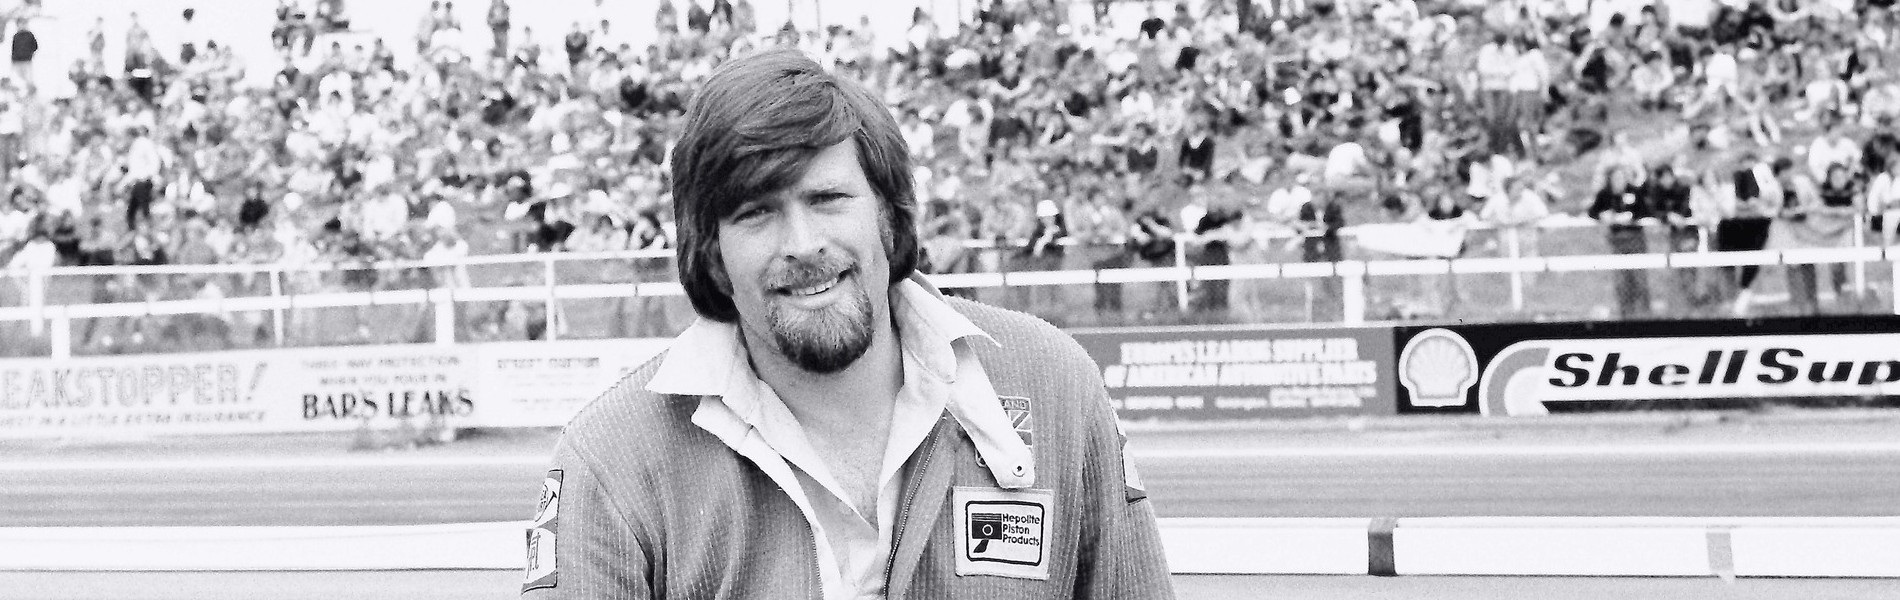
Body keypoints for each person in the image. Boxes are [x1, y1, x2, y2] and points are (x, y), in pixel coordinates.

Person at [522, 49, 1171, 600]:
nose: (802, 243)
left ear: (888, 214)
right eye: (755, 212)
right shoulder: (610, 461)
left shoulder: (1058, 389)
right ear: (712, 254)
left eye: (828, 198)